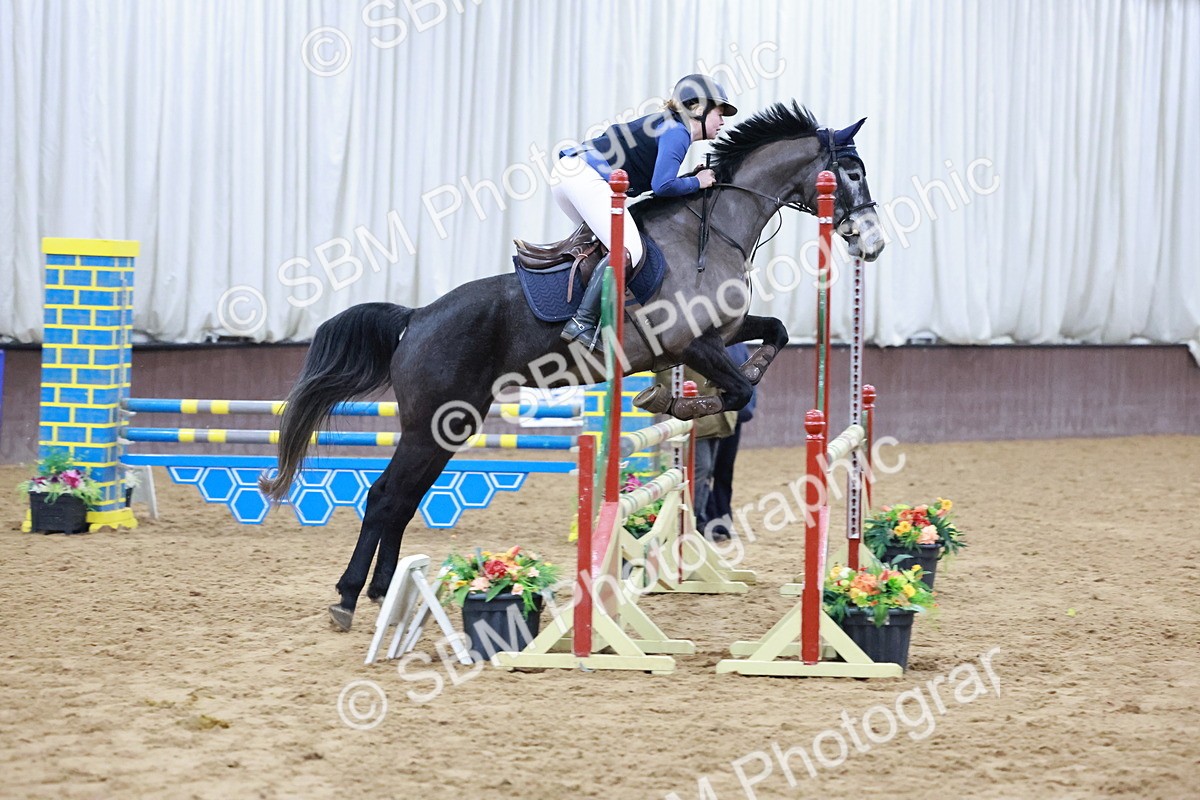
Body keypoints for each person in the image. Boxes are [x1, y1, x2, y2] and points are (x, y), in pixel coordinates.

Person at [552, 74, 738, 353]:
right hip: (584, 176)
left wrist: (689, 179)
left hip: (570, 174)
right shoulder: (678, 132)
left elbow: (659, 182)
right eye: (719, 113)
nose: (723, 122)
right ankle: (582, 321)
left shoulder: (669, 125)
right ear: (698, 109)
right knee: (629, 249)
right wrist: (697, 182)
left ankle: (576, 313)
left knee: (603, 248)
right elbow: (661, 186)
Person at [700, 343, 757, 542]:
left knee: (723, 471)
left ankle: (722, 521)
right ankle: (707, 521)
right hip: (712, 417)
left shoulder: (739, 346)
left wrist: (745, 408)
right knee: (707, 470)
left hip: (732, 416)